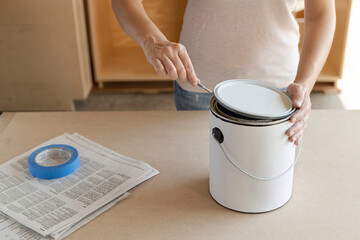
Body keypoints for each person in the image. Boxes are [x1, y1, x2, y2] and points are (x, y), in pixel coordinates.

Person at [111, 0, 336, 145]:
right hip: (199, 85)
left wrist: (305, 84)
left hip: (278, 90)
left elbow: (321, 12)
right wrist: (152, 41)